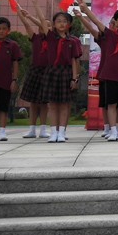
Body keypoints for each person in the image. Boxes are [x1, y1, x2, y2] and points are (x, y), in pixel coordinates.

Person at [79, 2, 118, 141]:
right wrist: (85, 9)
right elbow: (95, 21)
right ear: (115, 22)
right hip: (110, 76)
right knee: (111, 104)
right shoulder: (108, 35)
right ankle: (113, 131)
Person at [43, 12, 82, 143]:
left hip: (66, 73)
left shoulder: (73, 41)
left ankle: (62, 132)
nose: (61, 23)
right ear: (54, 24)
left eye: (64, 21)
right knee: (53, 104)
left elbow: (74, 60)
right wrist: (34, 2)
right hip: (52, 72)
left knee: (65, 105)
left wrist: (75, 78)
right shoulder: (50, 37)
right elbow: (43, 21)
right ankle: (53, 132)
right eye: (58, 21)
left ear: (69, 25)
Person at [17, 1, 50, 139]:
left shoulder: (52, 39)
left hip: (47, 71)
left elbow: (41, 22)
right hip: (35, 71)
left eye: (48, 25)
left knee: (44, 102)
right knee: (33, 101)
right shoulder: (35, 38)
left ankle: (43, 129)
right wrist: (19, 13)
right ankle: (32, 129)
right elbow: (26, 25)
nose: (44, 26)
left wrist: (31, 16)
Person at [0, 17, 22, 142]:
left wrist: (14, 80)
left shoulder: (12, 45)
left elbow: (15, 62)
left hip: (5, 81)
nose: (1, 31)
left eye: (4, 29)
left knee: (4, 107)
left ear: (8, 30)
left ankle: (2, 131)